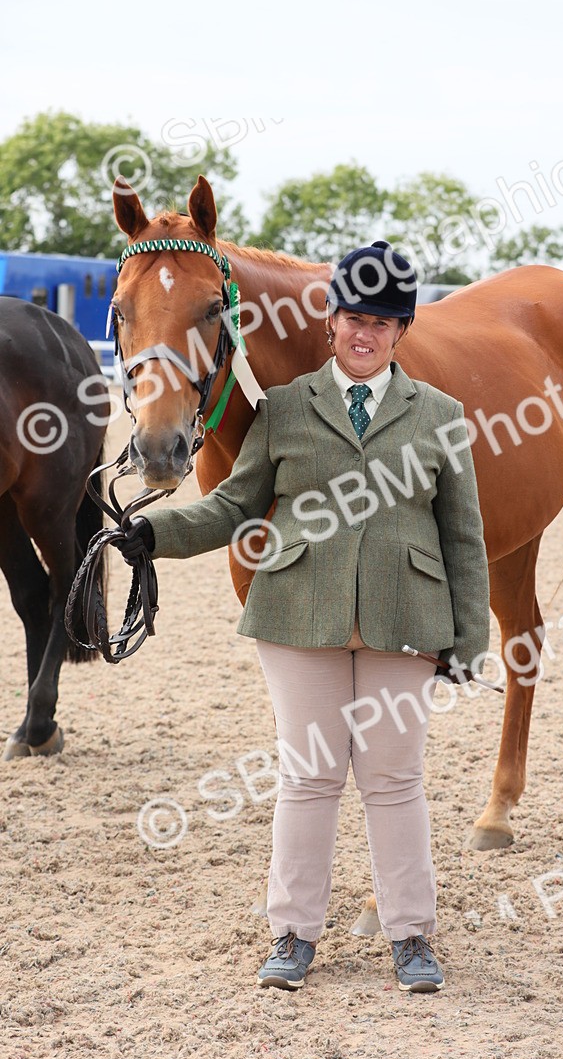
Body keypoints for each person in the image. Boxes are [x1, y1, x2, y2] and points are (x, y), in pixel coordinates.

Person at [121, 241, 490, 993]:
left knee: (394, 778)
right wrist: (156, 534)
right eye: (353, 316)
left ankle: (411, 935)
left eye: (381, 323)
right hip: (297, 614)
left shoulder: (440, 416)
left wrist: (471, 638)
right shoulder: (284, 410)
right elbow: (233, 504)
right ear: (330, 321)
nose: (364, 333)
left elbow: (464, 534)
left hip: (406, 616)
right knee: (308, 776)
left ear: (401, 332)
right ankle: (292, 933)